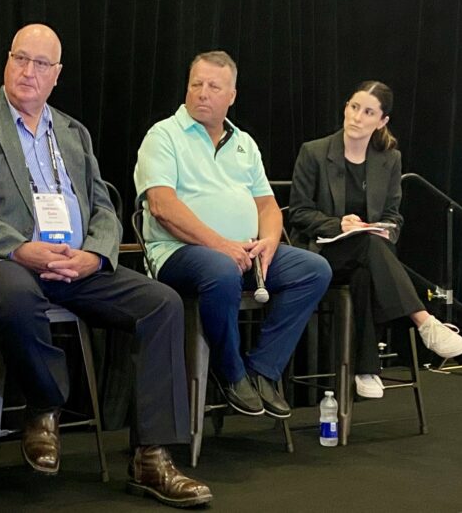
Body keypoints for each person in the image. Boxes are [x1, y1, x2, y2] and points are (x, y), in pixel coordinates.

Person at [0, 24, 211, 508]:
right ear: (7, 60)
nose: (28, 72)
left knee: (161, 302)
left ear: (56, 75)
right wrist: (20, 247)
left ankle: (152, 457)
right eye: (21, 58)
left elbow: (104, 205)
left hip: (75, 264)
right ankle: (46, 403)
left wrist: (96, 254)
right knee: (15, 294)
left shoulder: (73, 131)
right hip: (3, 263)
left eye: (41, 64)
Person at [134, 51, 332, 419]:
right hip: (180, 252)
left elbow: (268, 207)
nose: (203, 93)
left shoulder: (244, 143)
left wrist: (270, 241)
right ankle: (230, 371)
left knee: (314, 270)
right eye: (197, 84)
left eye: (213, 86)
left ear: (232, 96)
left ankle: (264, 370)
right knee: (220, 271)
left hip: (243, 252)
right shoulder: (163, 136)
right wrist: (220, 245)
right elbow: (162, 207)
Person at [289, 80, 462, 398]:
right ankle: (425, 321)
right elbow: (299, 213)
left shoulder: (389, 159)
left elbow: (393, 216)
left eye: (368, 111)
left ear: (382, 121)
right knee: (366, 247)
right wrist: (338, 224)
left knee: (365, 264)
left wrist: (385, 230)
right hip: (320, 254)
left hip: (365, 255)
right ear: (346, 107)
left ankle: (367, 369)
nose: (357, 117)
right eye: (354, 107)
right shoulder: (315, 152)